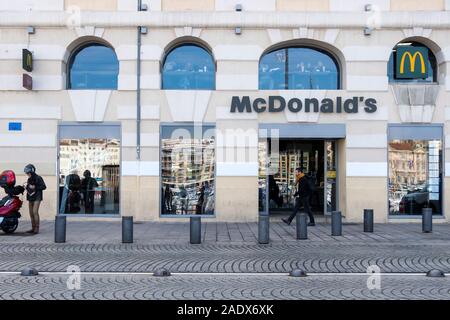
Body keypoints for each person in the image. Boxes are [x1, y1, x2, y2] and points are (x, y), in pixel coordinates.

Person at [23, 164, 46, 234]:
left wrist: (35, 187)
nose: (27, 174)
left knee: (35, 212)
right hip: (30, 197)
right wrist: (26, 187)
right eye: (27, 173)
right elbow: (29, 187)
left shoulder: (38, 178)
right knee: (31, 213)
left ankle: (37, 228)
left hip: (37, 197)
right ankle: (33, 228)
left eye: (28, 173)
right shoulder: (29, 179)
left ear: (32, 172)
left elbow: (44, 187)